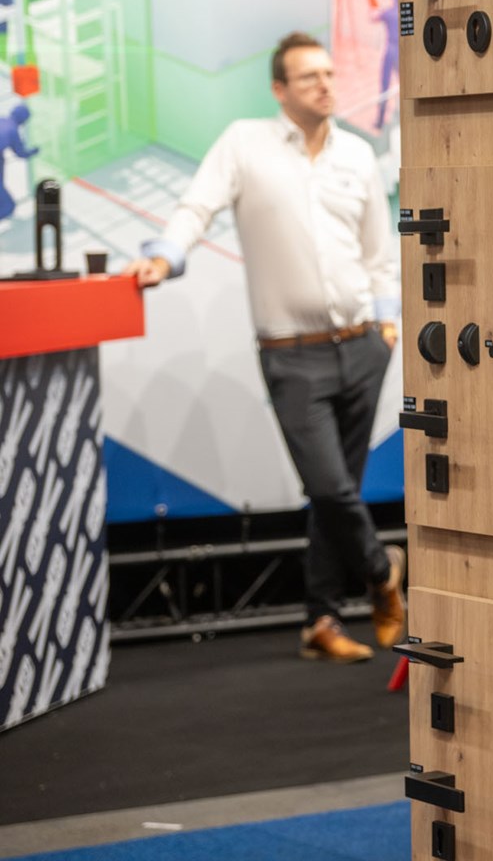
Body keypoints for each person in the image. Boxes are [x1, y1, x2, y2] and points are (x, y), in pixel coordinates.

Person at [126, 32, 405, 665]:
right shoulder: (244, 144)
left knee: (338, 490)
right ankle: (381, 569)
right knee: (330, 487)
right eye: (309, 77)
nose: (325, 85)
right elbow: (196, 206)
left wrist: (387, 328)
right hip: (292, 355)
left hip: (363, 346)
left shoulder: (356, 154)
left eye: (329, 73)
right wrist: (165, 256)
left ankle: (319, 620)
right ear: (279, 89)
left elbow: (378, 252)